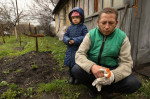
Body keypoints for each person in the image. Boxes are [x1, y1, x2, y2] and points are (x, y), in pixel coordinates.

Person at [71, 7, 141, 98]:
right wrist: (92, 66)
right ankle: (93, 88)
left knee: (134, 83)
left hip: (111, 70)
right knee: (76, 70)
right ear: (98, 22)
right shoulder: (91, 35)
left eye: (111, 23)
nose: (107, 27)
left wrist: (113, 76)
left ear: (116, 23)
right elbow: (79, 54)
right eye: (103, 23)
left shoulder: (122, 38)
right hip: (93, 69)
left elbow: (127, 63)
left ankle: (106, 89)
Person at [63, 7, 88, 84]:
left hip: (79, 50)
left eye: (77, 17)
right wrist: (68, 40)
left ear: (81, 18)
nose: (75, 19)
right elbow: (65, 36)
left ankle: (77, 77)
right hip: (70, 50)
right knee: (70, 65)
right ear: (71, 19)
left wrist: (75, 41)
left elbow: (86, 37)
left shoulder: (83, 27)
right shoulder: (69, 28)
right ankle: (71, 76)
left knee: (78, 64)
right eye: (73, 18)